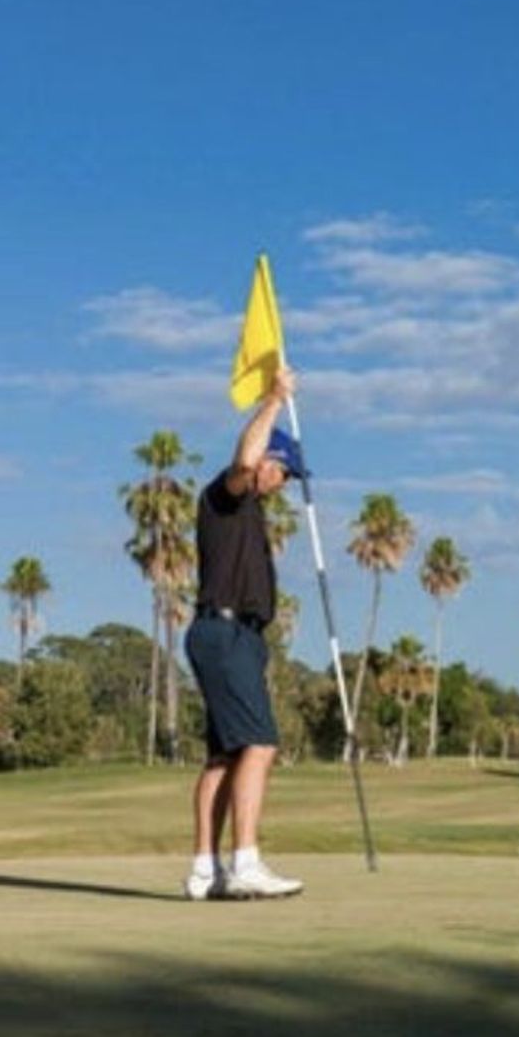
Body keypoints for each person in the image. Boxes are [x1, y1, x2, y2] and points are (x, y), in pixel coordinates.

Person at [182, 365, 306, 901]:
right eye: (283, 472)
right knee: (259, 744)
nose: (283, 483)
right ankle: (246, 861)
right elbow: (243, 461)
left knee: (224, 757)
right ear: (267, 463)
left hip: (234, 637)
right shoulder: (225, 496)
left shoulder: (252, 513)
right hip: (223, 631)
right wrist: (275, 400)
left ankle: (204, 870)